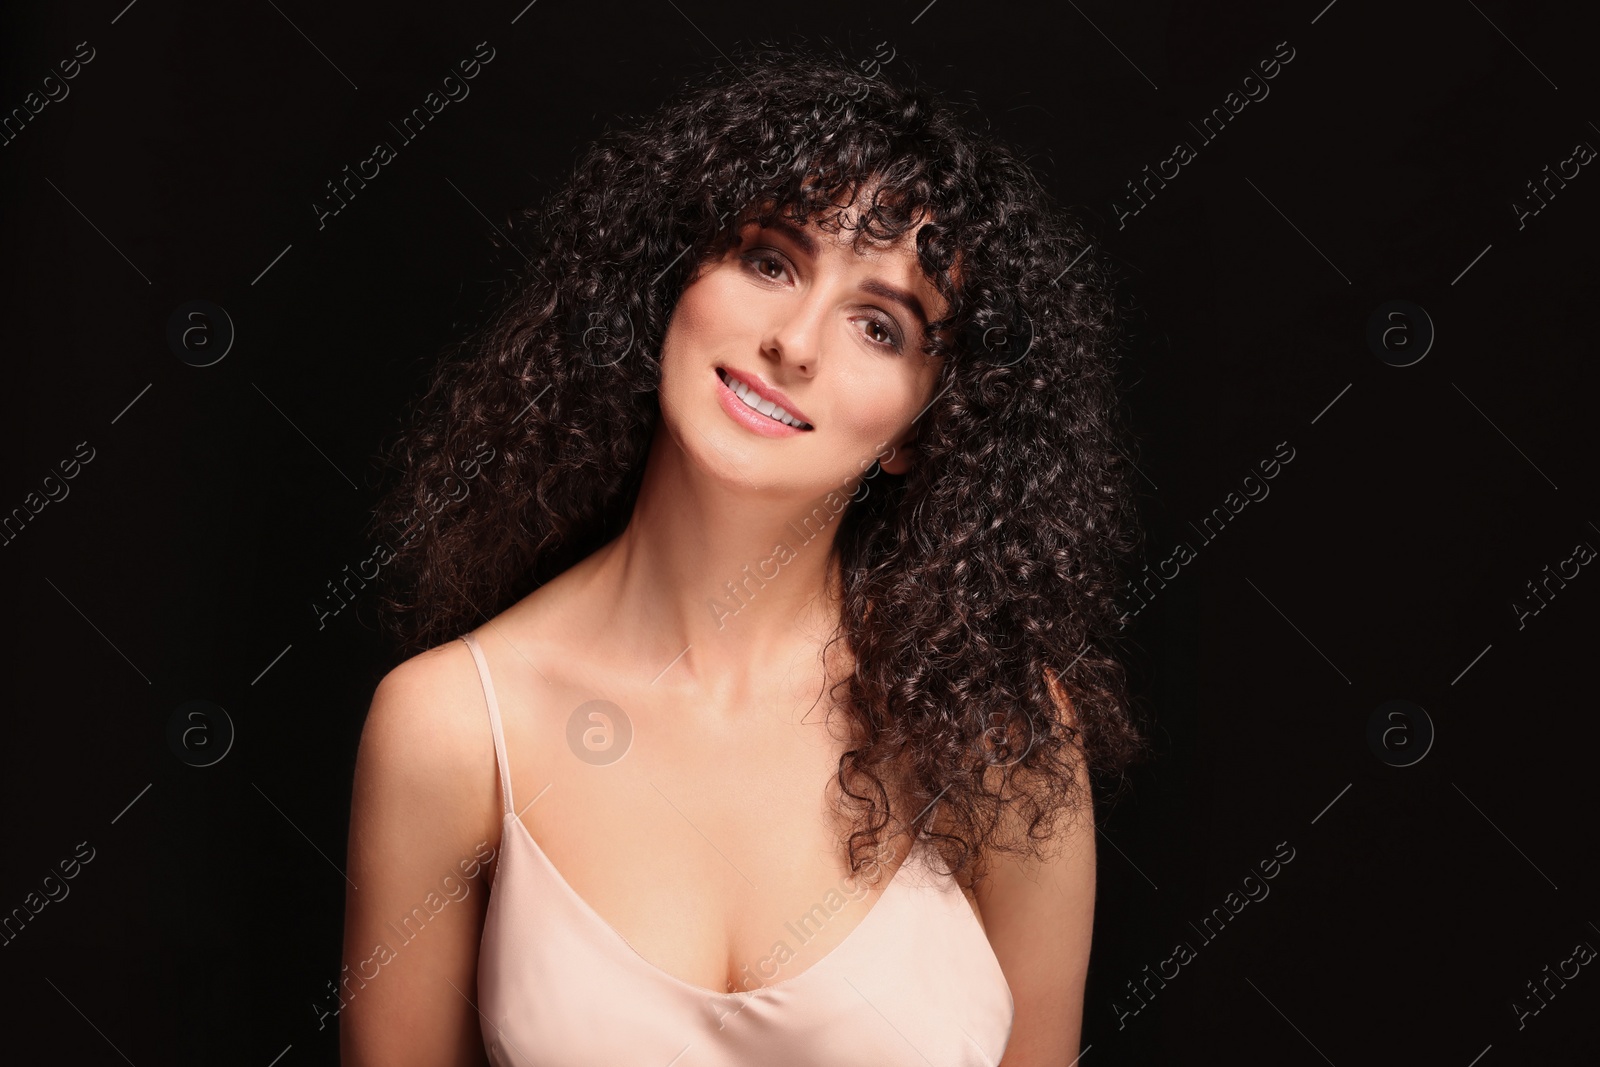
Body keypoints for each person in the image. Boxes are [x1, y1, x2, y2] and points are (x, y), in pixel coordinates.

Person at [340, 40, 1147, 1067]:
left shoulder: (997, 732)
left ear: (920, 430)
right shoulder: (450, 727)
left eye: (880, 326)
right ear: (670, 282)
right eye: (770, 260)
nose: (796, 342)